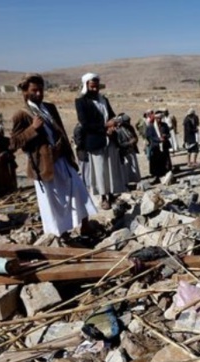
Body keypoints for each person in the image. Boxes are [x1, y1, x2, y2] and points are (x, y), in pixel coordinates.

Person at [11, 73, 96, 238]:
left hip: (61, 158)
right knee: (53, 202)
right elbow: (13, 143)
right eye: (35, 90)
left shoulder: (49, 107)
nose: (39, 94)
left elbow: (60, 131)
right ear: (25, 92)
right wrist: (32, 129)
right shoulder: (21, 114)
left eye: (41, 90)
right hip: (44, 164)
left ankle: (85, 225)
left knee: (78, 190)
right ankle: (60, 234)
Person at [75, 72, 127, 210]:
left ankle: (111, 195)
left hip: (109, 139)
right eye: (92, 86)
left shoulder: (104, 100)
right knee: (99, 170)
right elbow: (85, 123)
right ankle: (103, 197)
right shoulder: (81, 102)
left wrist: (113, 125)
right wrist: (105, 127)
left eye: (97, 86)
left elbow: (111, 115)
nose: (95, 89)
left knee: (110, 168)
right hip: (95, 141)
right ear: (86, 86)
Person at [115, 113, 141, 185]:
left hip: (132, 150)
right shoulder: (118, 131)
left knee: (134, 166)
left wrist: (135, 140)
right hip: (125, 152)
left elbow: (135, 136)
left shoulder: (131, 128)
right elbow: (119, 144)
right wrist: (129, 143)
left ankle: (136, 180)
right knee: (126, 169)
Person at [146, 110, 172, 183]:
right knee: (156, 163)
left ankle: (166, 176)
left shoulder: (165, 125)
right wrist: (158, 139)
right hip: (155, 147)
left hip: (164, 146)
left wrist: (165, 136)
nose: (159, 120)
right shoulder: (151, 127)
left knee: (166, 161)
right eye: (157, 118)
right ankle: (157, 177)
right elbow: (149, 137)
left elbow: (169, 134)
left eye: (160, 118)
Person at [72, 123, 90, 189]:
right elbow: (79, 143)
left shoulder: (78, 128)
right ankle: (86, 186)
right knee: (86, 171)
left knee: (84, 170)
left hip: (81, 153)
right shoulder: (79, 129)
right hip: (83, 153)